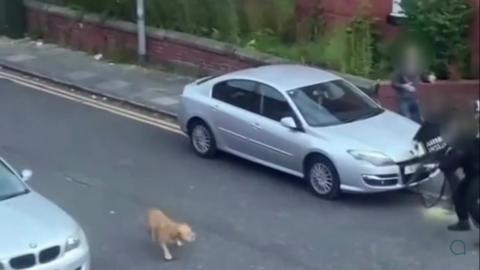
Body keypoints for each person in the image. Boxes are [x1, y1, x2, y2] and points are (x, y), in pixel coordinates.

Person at [435, 100, 480, 231]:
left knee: (471, 202)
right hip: (473, 172)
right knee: (459, 196)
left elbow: (459, 156)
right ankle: (463, 223)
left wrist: (443, 164)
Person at [391, 45, 436, 123]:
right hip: (404, 101)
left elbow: (423, 77)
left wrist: (430, 78)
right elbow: (393, 83)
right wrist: (404, 86)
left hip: (415, 99)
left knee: (419, 121)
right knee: (406, 121)